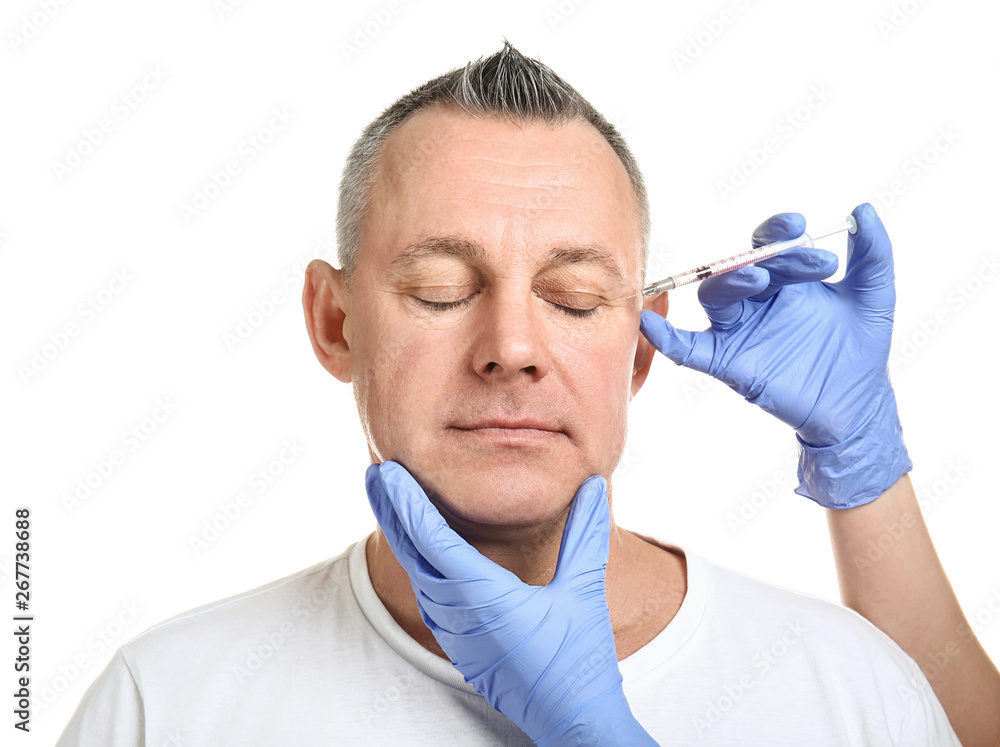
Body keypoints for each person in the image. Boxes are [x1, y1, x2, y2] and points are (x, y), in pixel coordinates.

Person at [57, 43, 999, 746]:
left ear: (640, 348)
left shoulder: (849, 692)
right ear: (335, 323)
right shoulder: (163, 704)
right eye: (440, 291)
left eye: (575, 297)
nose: (511, 347)